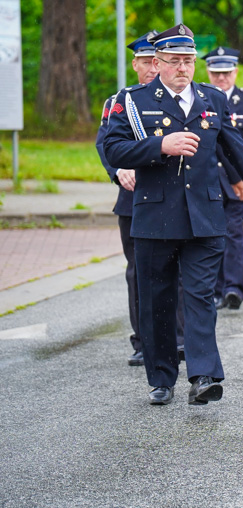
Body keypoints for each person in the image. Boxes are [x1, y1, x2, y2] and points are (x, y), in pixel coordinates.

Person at [103, 24, 243, 406]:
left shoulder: (212, 99)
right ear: (157, 62)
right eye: (174, 61)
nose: (182, 67)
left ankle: (203, 375)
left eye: (188, 60)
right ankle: (161, 377)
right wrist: (159, 145)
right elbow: (112, 149)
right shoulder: (132, 101)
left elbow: (235, 151)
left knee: (199, 296)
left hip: (204, 214)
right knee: (158, 299)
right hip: (155, 217)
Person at [95, 31, 185, 366]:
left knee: (177, 269)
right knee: (140, 272)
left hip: (172, 197)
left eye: (155, 61)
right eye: (145, 61)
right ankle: (142, 340)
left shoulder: (179, 97)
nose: (151, 67)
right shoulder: (122, 100)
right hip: (133, 198)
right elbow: (106, 144)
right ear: (136, 64)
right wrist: (118, 171)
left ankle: (178, 338)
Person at [204, 46, 243, 311]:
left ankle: (233, 288)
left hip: (236, 180)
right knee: (211, 237)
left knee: (234, 233)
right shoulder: (201, 99)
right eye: (216, 73)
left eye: (226, 73)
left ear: (235, 72)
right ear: (208, 72)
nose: (221, 78)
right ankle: (215, 289)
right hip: (208, 180)